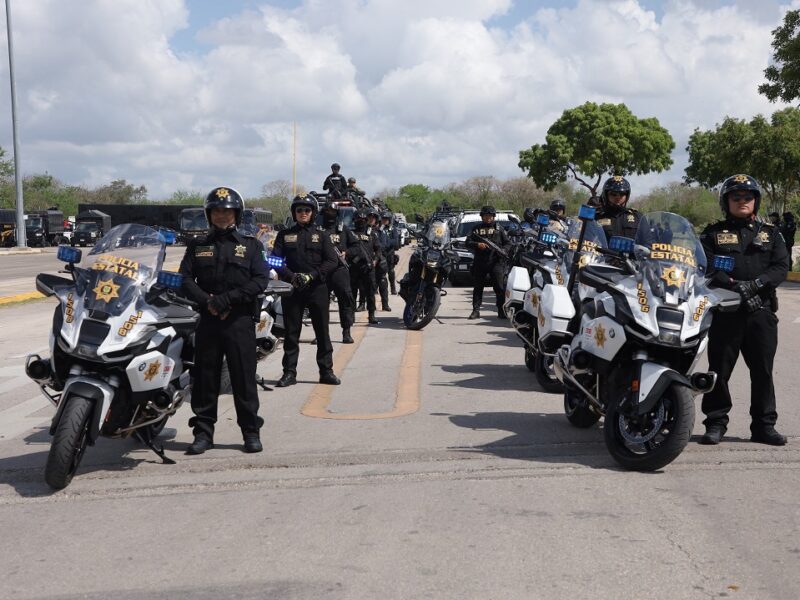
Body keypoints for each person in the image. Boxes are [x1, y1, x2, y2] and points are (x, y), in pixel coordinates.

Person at [698, 174, 789, 446]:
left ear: (756, 201)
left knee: (762, 372)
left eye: (747, 197)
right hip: (726, 313)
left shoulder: (771, 233)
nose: (742, 201)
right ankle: (715, 424)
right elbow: (708, 267)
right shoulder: (712, 233)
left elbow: (780, 267)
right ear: (726, 202)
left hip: (761, 313)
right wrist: (737, 288)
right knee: (719, 372)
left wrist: (755, 286)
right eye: (735, 197)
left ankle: (763, 426)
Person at [179, 187, 270, 455]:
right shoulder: (198, 245)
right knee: (205, 378)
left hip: (239, 320)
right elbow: (184, 278)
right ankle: (203, 434)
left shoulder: (251, 245)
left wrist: (227, 299)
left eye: (226, 211)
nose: (221, 216)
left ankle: (250, 432)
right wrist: (208, 301)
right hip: (208, 320)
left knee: (243, 379)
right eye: (217, 211)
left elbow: (260, 280)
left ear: (236, 214)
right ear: (209, 215)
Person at [271, 194, 341, 387]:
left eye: (307, 210)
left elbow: (332, 261)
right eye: (299, 210)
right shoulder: (284, 235)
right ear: (294, 213)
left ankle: (326, 371)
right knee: (292, 333)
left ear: (313, 213)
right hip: (293, 289)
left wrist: (312, 275)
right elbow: (273, 260)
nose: (303, 213)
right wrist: (291, 276)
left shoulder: (322, 235)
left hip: (317, 288)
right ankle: (289, 373)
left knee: (322, 332)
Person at [320, 199, 357, 343]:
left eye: (333, 212)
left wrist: (346, 253)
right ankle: (321, 334)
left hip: (339, 271)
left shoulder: (343, 229)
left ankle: (346, 332)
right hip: (322, 271)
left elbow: (356, 246)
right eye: (328, 212)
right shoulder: (317, 229)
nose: (330, 214)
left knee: (345, 301)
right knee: (321, 304)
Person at [465, 205, 510, 319]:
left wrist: (503, 250)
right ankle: (476, 311)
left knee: (499, 287)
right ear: (482, 217)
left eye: (490, 216)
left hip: (496, 261)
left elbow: (508, 243)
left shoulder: (499, 229)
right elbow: (467, 242)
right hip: (480, 261)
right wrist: (477, 245)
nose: (488, 218)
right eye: (486, 216)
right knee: (478, 287)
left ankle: (501, 310)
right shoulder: (476, 229)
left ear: (494, 217)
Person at [348, 209, 380, 324]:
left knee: (370, 293)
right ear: (354, 220)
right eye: (358, 219)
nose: (360, 221)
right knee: (352, 293)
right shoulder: (350, 233)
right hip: (353, 268)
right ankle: (351, 316)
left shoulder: (372, 234)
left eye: (363, 220)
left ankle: (371, 315)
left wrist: (375, 260)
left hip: (368, 268)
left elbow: (378, 250)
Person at [595, 175, 640, 240]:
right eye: (613, 194)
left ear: (627, 195)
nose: (618, 197)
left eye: (622, 194)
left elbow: (647, 243)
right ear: (606, 195)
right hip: (603, 250)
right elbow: (587, 241)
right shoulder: (596, 217)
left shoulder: (637, 217)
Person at [380, 210, 401, 295]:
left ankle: (393, 288)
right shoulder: (379, 229)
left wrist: (386, 243)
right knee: (380, 272)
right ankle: (378, 288)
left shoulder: (393, 229)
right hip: (380, 253)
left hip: (390, 253)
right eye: (383, 219)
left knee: (391, 271)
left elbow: (395, 241)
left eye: (386, 219)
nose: (384, 221)